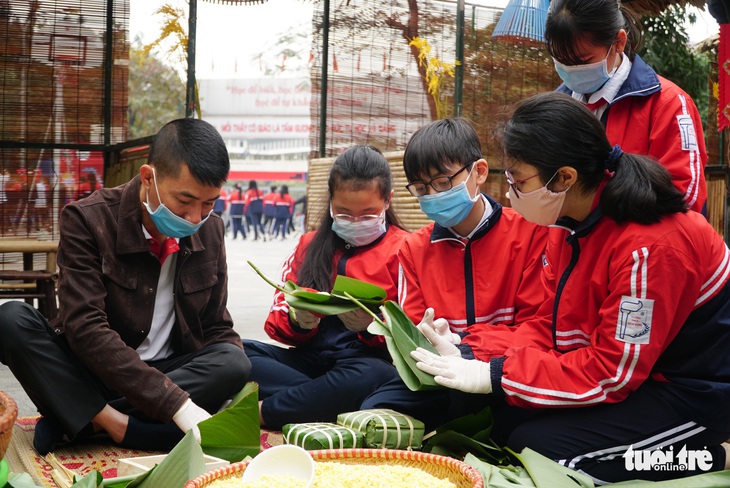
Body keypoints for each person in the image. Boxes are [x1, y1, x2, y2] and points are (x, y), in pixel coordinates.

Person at [412, 93, 730, 483]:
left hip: (690, 393)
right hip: (637, 378)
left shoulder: (650, 249)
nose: (509, 192)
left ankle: (710, 456)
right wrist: (469, 349)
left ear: (564, 177)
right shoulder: (567, 226)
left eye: (518, 179)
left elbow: (612, 374)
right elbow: (552, 326)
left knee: (549, 455)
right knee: (501, 423)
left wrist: (496, 375)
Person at [0, 118, 251, 454]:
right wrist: (178, 405)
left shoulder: (210, 230)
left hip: (169, 369)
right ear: (149, 178)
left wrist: (234, 381)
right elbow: (85, 329)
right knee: (11, 320)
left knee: (234, 362)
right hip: (93, 370)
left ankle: (84, 419)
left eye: (208, 204)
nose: (195, 218)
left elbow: (216, 325)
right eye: (185, 201)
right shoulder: (88, 220)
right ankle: (119, 425)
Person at [360, 118, 548, 430]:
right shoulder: (413, 251)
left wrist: (466, 347)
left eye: (443, 182)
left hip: (507, 373)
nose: (432, 195)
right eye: (421, 188)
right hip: (441, 377)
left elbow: (536, 330)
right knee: (375, 411)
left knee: (527, 428)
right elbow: (414, 338)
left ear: (480, 172)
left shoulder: (529, 234)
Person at [242, 146, 409, 430]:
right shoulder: (308, 245)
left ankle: (265, 411)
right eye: (343, 213)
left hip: (365, 364)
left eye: (368, 214)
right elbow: (277, 320)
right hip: (311, 361)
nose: (355, 222)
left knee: (375, 375)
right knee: (235, 353)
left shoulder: (406, 250)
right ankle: (323, 402)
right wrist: (299, 321)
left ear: (388, 201)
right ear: (330, 203)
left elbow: (413, 335)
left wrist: (373, 327)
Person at [544, 0, 707, 214]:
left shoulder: (667, 104)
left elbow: (684, 197)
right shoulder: (554, 109)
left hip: (641, 244)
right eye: (561, 61)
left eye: (583, 60)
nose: (571, 70)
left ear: (619, 42)